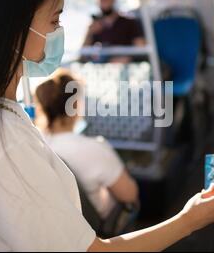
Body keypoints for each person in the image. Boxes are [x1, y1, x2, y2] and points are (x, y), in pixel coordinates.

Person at [0, 0, 214, 252]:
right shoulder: (6, 143)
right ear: (14, 26)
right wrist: (189, 221)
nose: (58, 32)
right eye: (54, 20)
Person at [34, 69, 138, 219]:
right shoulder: (95, 149)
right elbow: (129, 195)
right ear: (75, 105)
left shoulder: (34, 144)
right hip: (99, 230)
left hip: (56, 224)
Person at [82, 0, 146, 63]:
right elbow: (82, 56)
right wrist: (89, 33)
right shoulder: (95, 26)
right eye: (101, 0)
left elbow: (142, 49)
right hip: (103, 68)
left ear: (114, 0)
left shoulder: (129, 23)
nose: (104, 3)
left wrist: (128, 58)